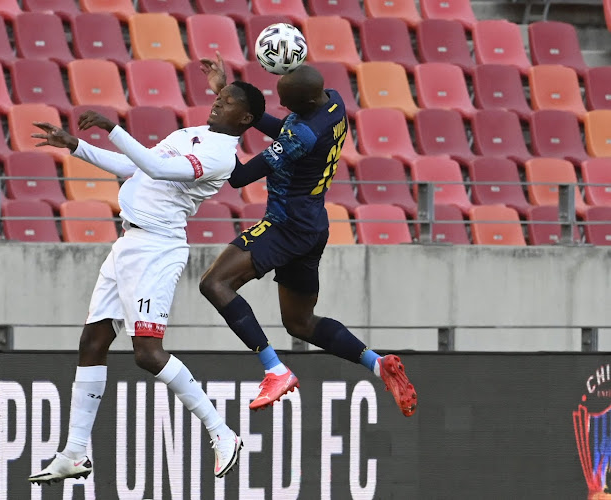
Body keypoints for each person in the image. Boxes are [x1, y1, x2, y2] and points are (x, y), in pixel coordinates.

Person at [27, 78, 267, 485]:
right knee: (93, 341)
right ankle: (74, 454)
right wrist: (76, 146)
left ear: (244, 118)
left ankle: (221, 432)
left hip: (158, 249)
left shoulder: (221, 158)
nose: (215, 103)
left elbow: (155, 167)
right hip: (128, 243)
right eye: (218, 97)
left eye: (226, 102)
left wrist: (111, 126)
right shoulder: (191, 133)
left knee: (147, 353)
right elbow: (136, 167)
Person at [198, 58, 418, 416]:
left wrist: (223, 128)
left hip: (286, 225)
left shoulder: (300, 137)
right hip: (313, 224)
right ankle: (379, 364)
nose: (281, 107)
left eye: (285, 102)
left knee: (215, 285)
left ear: (300, 104)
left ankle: (275, 370)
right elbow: (279, 125)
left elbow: (238, 177)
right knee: (300, 323)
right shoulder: (333, 103)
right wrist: (227, 94)